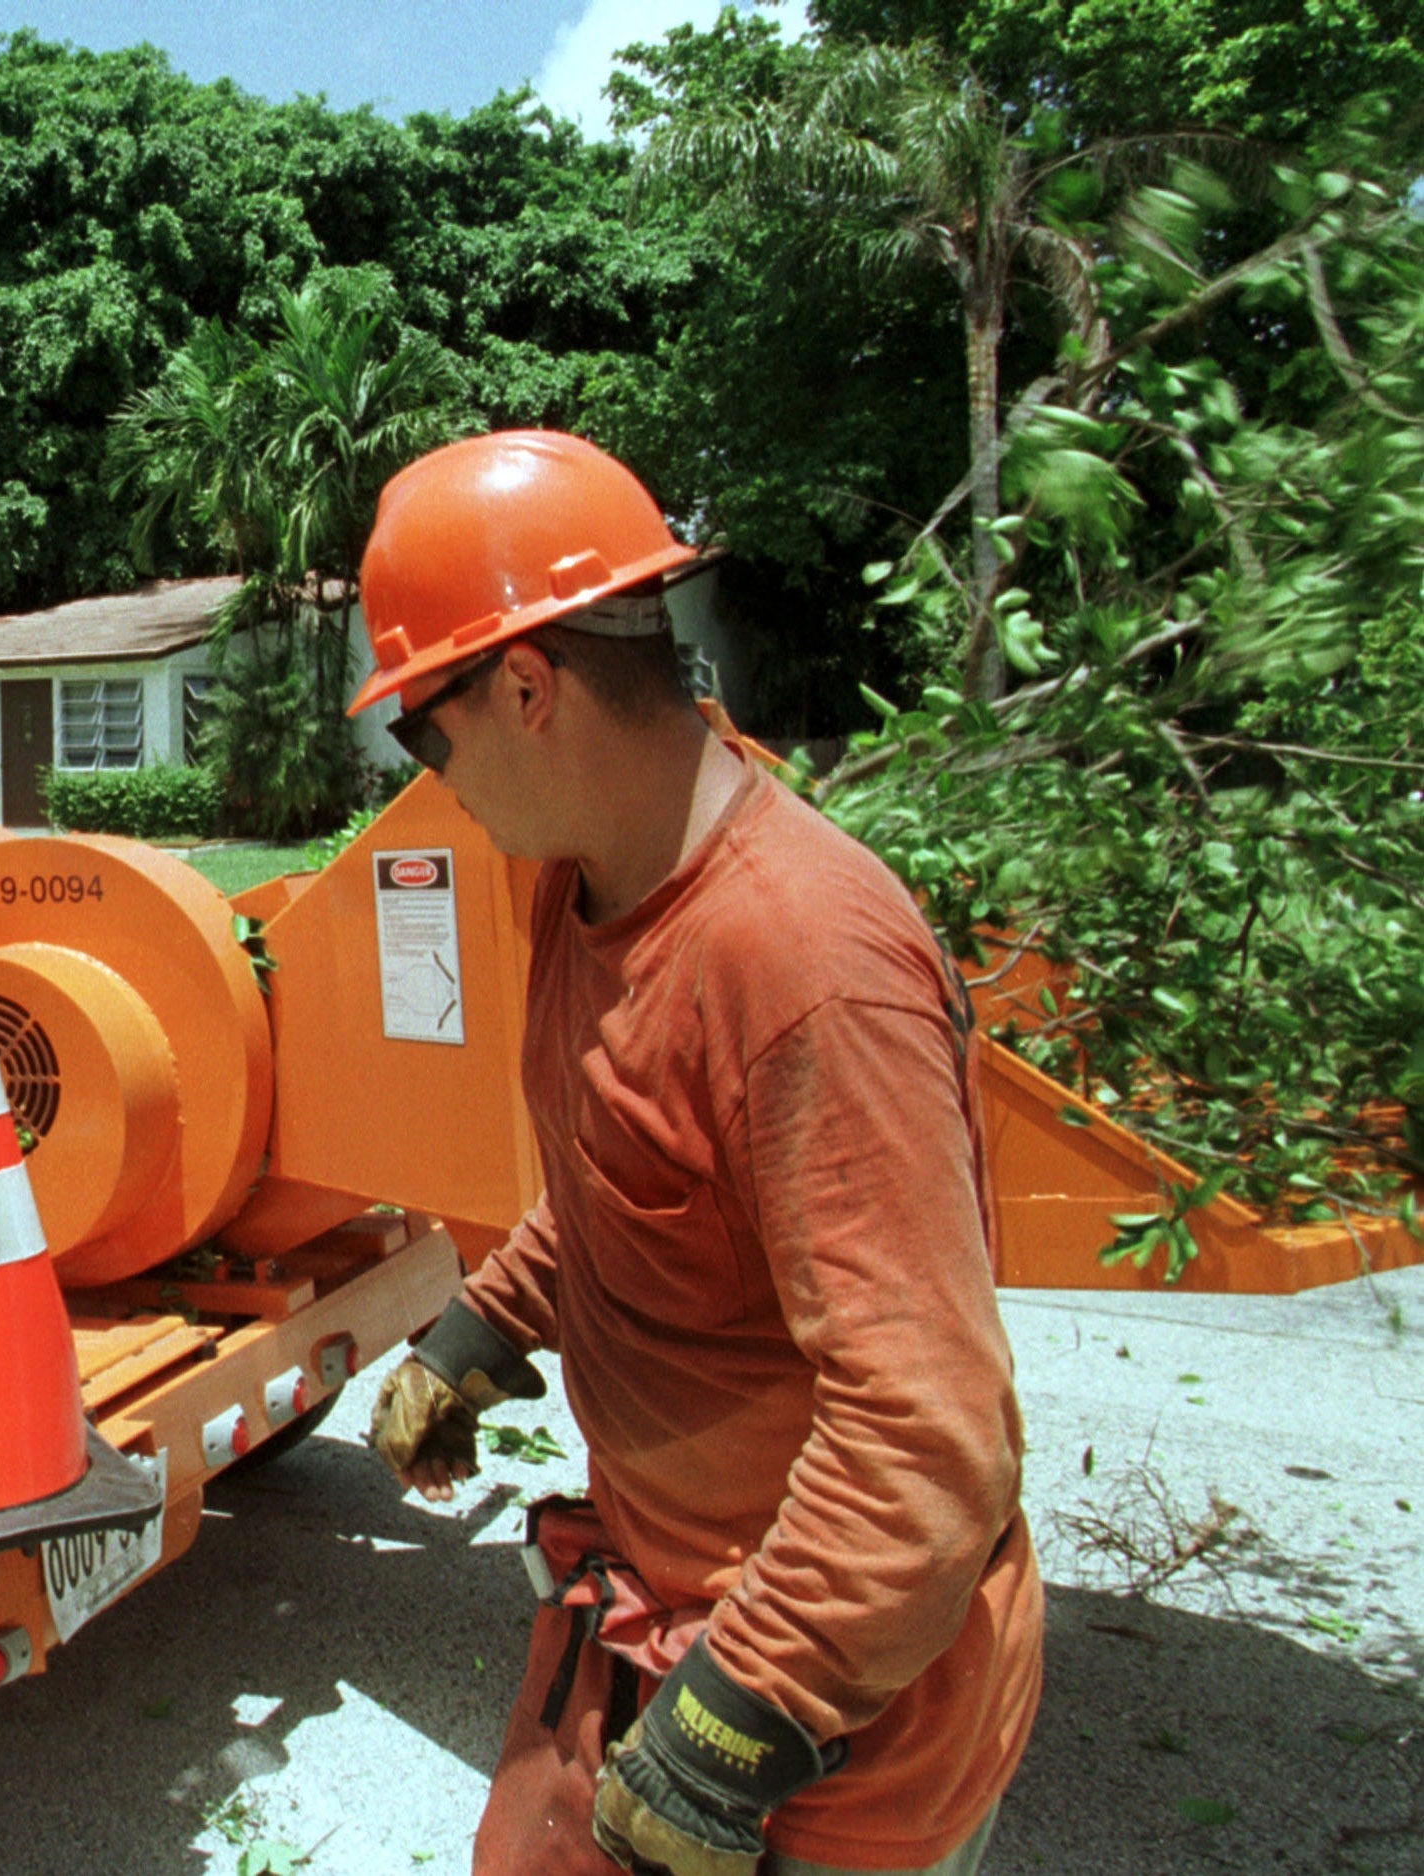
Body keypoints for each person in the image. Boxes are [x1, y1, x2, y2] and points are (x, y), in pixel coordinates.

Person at [354, 430, 1043, 1876]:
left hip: (843, 1725)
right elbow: (626, 1172)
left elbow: (926, 1438)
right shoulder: (582, 888)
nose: (426, 776)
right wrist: (479, 1325)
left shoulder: (799, 964)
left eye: (421, 731)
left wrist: (732, 1724)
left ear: (526, 688)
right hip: (681, 1608)